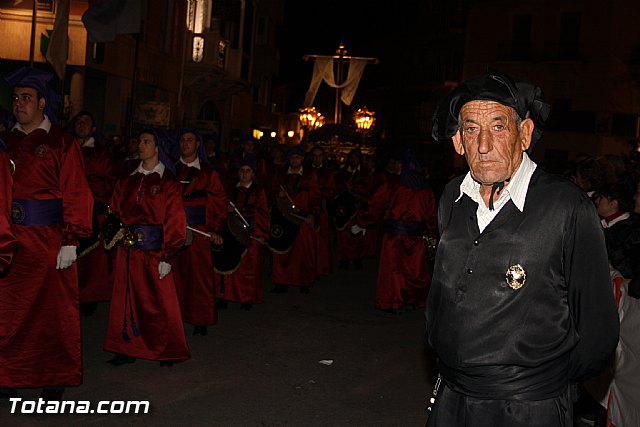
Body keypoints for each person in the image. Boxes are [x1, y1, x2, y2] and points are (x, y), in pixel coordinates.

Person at [426, 71, 619, 426]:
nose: (483, 144)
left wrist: (541, 387)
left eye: (498, 127)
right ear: (457, 141)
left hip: (526, 406)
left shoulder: (567, 207)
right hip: (452, 397)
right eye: (471, 129)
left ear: (525, 134)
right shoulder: (451, 198)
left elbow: (598, 332)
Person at [0, 67, 93, 400]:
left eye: (27, 98)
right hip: (9, 241)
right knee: (8, 311)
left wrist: (71, 239)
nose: (19, 104)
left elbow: (77, 191)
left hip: (48, 241)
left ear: (42, 103)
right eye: (15, 98)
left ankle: (54, 375)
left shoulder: (61, 142)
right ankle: (8, 374)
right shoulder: (7, 141)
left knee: (51, 312)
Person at [103, 128, 189, 367]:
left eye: (147, 141)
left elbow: (174, 219)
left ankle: (166, 349)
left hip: (155, 250)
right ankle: (126, 347)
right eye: (139, 141)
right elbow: (115, 211)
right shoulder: (128, 180)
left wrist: (168, 254)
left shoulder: (168, 182)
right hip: (128, 251)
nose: (140, 145)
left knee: (158, 302)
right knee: (126, 300)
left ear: (158, 147)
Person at [352, 150, 437, 313]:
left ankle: (394, 301)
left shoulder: (392, 185)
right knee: (414, 270)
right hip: (416, 237)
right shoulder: (425, 188)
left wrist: (362, 221)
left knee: (395, 271)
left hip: (394, 237)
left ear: (402, 165)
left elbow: (376, 205)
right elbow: (432, 215)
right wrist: (432, 234)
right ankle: (412, 298)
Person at [172, 128, 227, 335]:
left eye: (190, 140)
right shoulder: (170, 171)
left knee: (200, 276)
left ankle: (200, 318)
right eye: (183, 140)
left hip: (200, 230)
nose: (186, 143)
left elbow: (218, 201)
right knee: (174, 274)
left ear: (197, 145)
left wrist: (214, 229)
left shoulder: (208, 172)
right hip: (174, 230)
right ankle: (175, 315)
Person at [68, 110, 117, 315]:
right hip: (67, 212)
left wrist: (84, 182)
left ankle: (88, 298)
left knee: (91, 261)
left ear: (93, 128)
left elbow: (110, 181)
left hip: (93, 211)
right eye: (79, 121)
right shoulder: (65, 147)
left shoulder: (101, 153)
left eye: (86, 121)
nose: (82, 124)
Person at [215, 158, 270, 309]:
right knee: (226, 264)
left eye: (248, 171)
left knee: (248, 268)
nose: (244, 174)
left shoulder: (259, 192)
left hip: (250, 234)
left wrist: (261, 234)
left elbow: (264, 213)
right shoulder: (231, 190)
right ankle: (224, 296)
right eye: (242, 171)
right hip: (232, 233)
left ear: (253, 173)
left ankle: (246, 298)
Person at [270, 145, 320, 293]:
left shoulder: (310, 176)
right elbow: (271, 190)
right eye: (292, 157)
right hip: (284, 217)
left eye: (297, 157)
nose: (294, 160)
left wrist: (313, 214)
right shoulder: (281, 175)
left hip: (302, 217)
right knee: (282, 251)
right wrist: (277, 196)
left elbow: (315, 197)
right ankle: (281, 282)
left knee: (303, 251)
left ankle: (304, 282)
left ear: (303, 159)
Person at [310, 145, 337, 277]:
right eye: (315, 155)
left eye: (320, 155)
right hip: (307, 210)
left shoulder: (328, 173)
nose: (317, 158)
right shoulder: (306, 171)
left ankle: (320, 268)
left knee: (321, 240)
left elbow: (331, 190)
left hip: (321, 209)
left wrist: (319, 191)